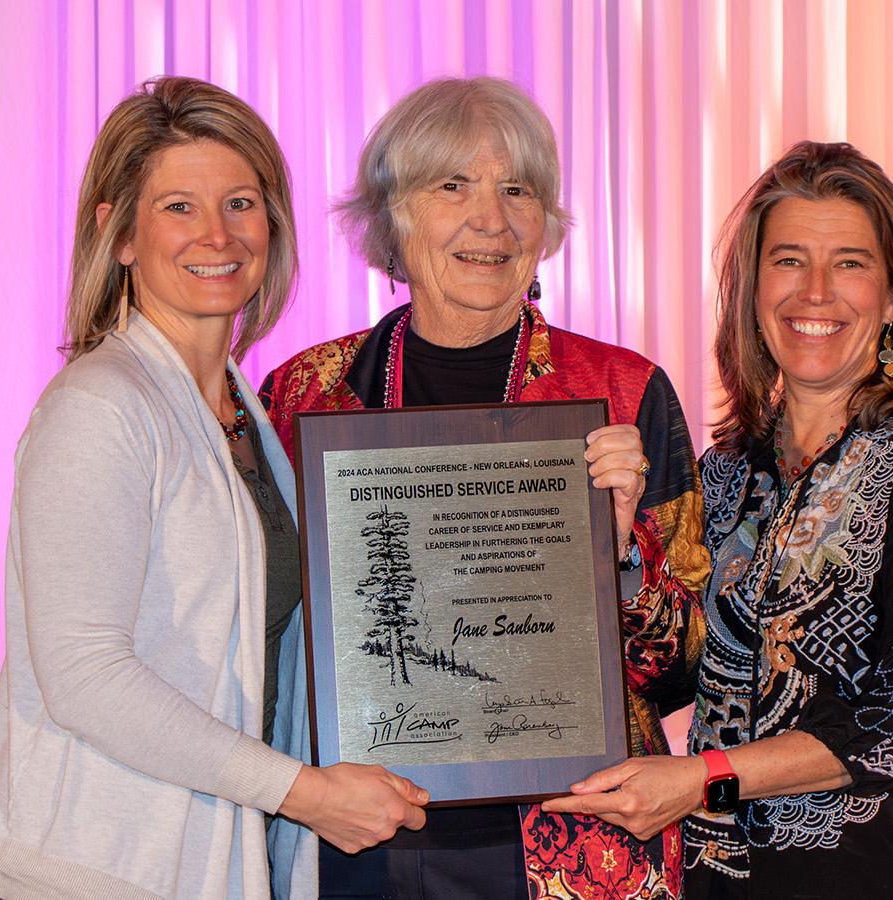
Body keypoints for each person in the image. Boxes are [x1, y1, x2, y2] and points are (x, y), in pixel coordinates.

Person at [0, 77, 428, 900]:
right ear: (120, 233)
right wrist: (306, 794)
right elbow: (87, 675)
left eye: (241, 202)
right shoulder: (102, 407)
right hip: (81, 877)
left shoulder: (246, 415)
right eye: (179, 207)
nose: (217, 234)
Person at [260, 77, 709, 900]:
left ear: (547, 224)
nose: (490, 220)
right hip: (358, 836)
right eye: (452, 185)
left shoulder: (623, 389)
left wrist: (620, 559)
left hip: (570, 840)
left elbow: (690, 667)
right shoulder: (302, 396)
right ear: (394, 216)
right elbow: (262, 631)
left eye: (518, 190)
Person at [542, 141, 893, 899]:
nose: (817, 293)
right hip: (726, 876)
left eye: (852, 264)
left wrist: (698, 779)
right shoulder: (729, 472)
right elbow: (677, 680)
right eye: (790, 260)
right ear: (753, 291)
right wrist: (619, 550)